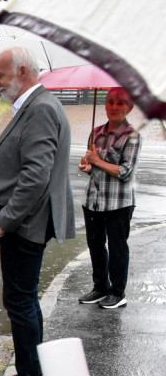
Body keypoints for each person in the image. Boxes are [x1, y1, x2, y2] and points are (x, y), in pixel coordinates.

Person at [0, 46, 75, 376]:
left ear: (22, 72)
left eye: (0, 76)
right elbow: (23, 158)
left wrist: (4, 221)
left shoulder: (42, 108)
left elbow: (36, 176)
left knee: (20, 301)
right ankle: (30, 373)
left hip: (25, 223)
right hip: (27, 222)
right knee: (24, 300)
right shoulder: (33, 106)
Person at [77, 87, 141, 309]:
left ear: (129, 107)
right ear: (105, 104)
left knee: (117, 247)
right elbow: (91, 165)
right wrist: (86, 166)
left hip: (118, 203)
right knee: (95, 245)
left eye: (120, 103)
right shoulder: (95, 132)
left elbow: (125, 171)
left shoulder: (132, 135)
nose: (114, 107)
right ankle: (100, 287)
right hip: (93, 200)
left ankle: (117, 292)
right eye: (111, 102)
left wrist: (97, 161)